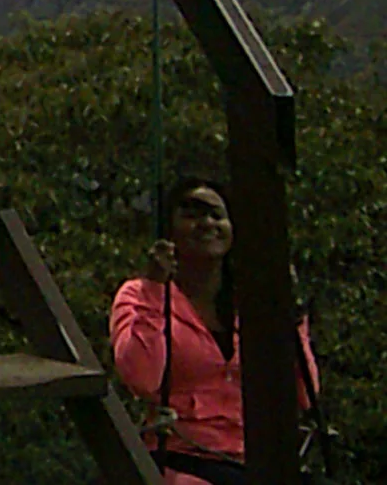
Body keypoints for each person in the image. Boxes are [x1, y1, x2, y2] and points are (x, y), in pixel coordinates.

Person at [108, 176, 318, 485]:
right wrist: (155, 288)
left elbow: (304, 395)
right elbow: (142, 379)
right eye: (192, 214)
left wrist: (292, 312)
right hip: (182, 456)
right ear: (169, 231)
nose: (206, 223)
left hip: (253, 458)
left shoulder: (252, 303)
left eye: (216, 215)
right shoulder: (140, 295)